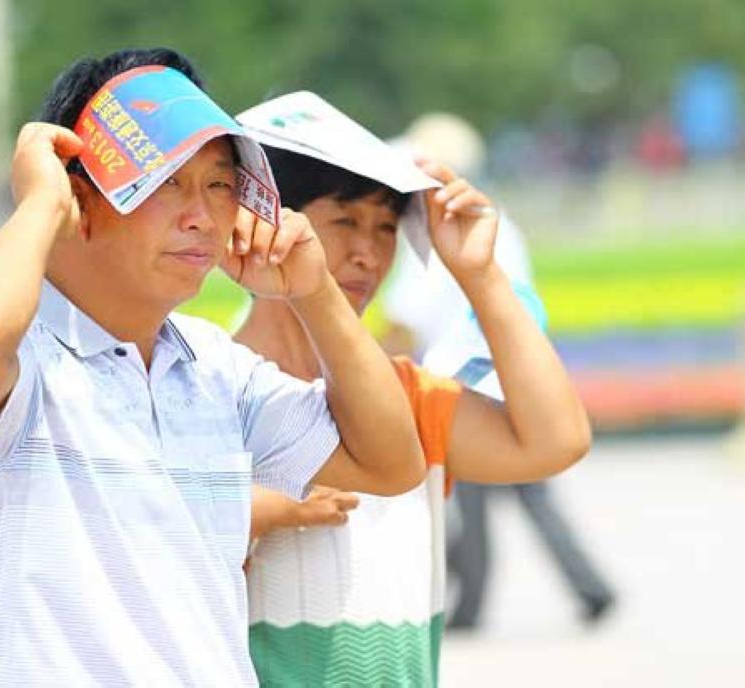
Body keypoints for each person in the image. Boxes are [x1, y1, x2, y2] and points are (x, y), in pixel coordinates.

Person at [0, 51, 425, 687]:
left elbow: (390, 463)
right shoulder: (27, 366)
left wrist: (314, 292)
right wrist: (38, 208)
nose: (201, 216)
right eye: (163, 182)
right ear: (79, 194)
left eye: (219, 186)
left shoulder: (213, 368)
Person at [235, 92, 591, 686]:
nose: (369, 252)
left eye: (386, 227)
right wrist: (257, 512)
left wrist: (481, 275)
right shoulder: (207, 388)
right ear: (268, 220)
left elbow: (556, 441)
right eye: (345, 220)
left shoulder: (408, 396)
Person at [393, 113, 617, 631]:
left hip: (467, 376)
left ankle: (470, 606)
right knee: (534, 488)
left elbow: (407, 316)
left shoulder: (437, 228)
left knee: (472, 495)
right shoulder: (494, 220)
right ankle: (590, 586)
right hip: (516, 369)